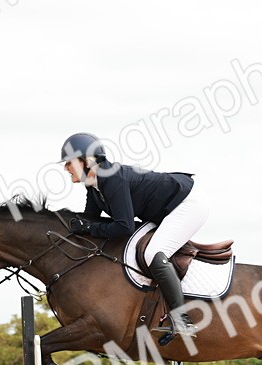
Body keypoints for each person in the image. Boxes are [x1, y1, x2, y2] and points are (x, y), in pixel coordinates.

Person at [60, 132, 209, 345]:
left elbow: (124, 227)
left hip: (188, 203)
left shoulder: (112, 179)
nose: (66, 168)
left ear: (88, 161)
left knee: (153, 254)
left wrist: (89, 227)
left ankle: (182, 319)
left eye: (69, 162)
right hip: (165, 210)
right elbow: (90, 219)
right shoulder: (94, 184)